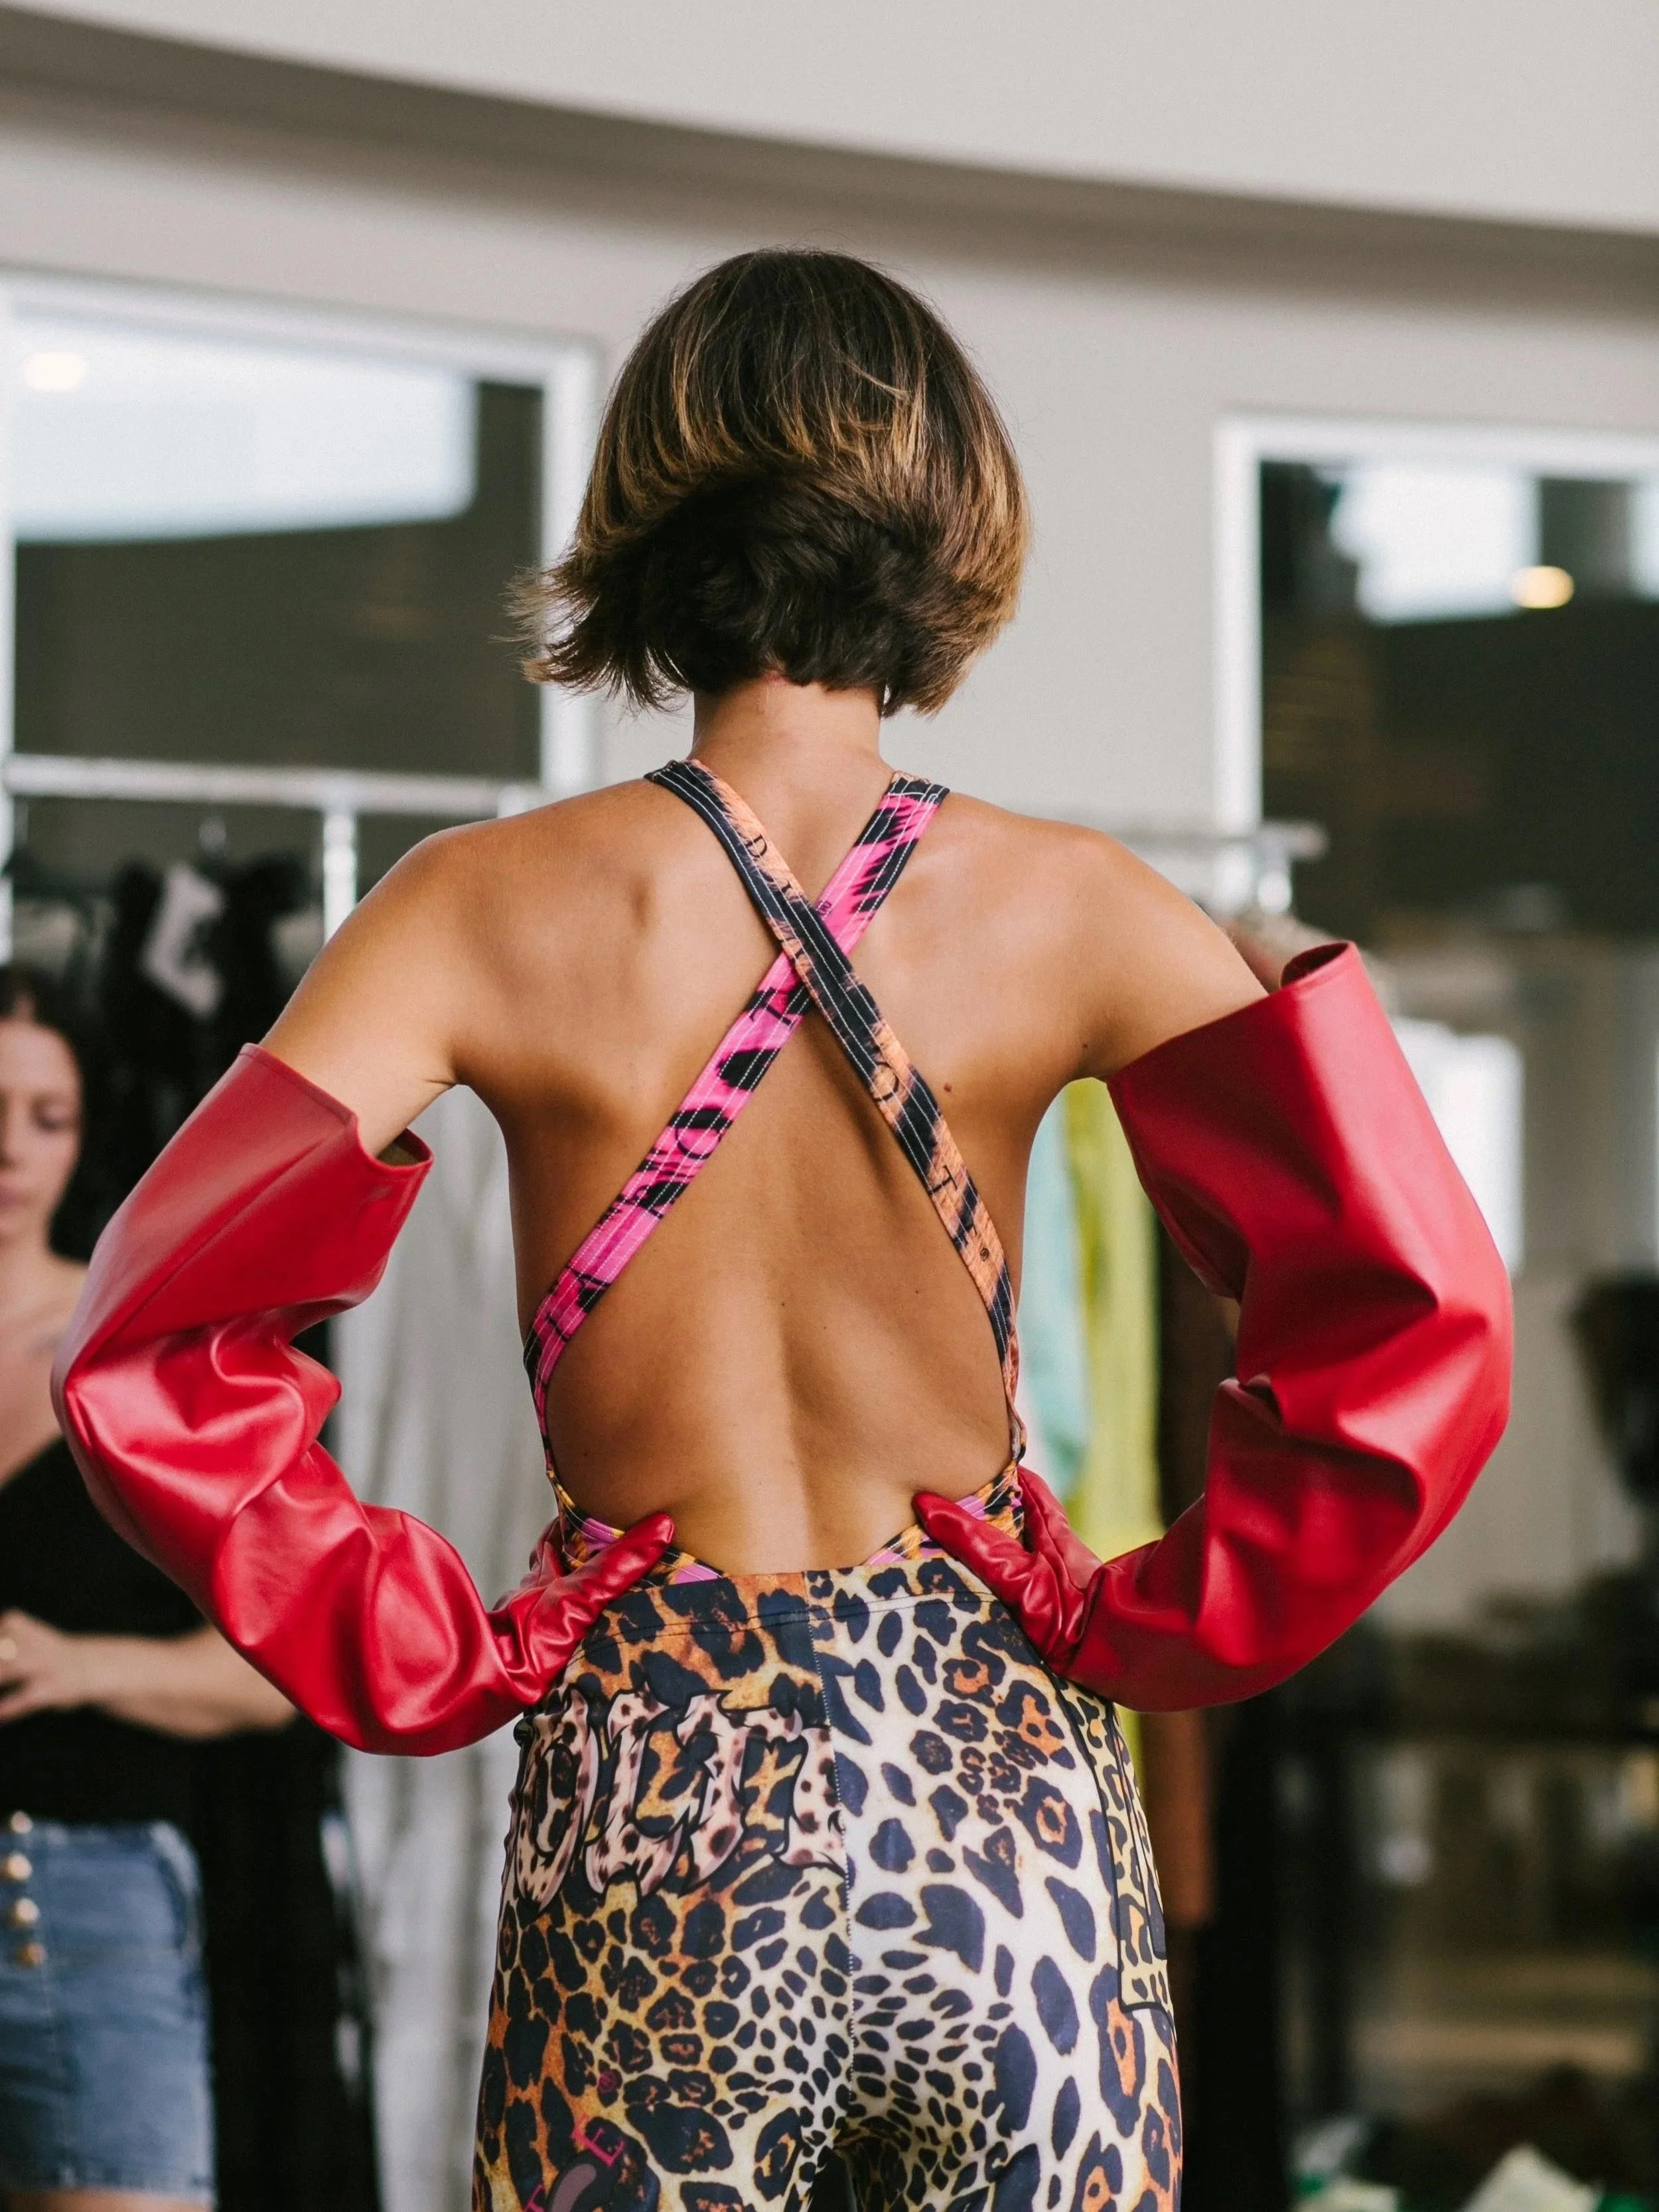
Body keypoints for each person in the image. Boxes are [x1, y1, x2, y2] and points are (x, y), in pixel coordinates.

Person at [51, 252, 1511, 2212]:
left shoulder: (471, 908)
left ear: (646, 519)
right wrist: (1163, 1616)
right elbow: (1422, 1319)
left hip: (660, 1793)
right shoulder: (1080, 907)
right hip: (1006, 1808)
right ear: (948, 526)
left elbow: (143, 1341)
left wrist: (428, 1647)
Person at [0, 967, 292, 2212]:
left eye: (47, 1117)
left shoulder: (141, 1351)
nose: (10, 1149)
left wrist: (77, 1664)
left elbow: (273, 1671)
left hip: (86, 1893)